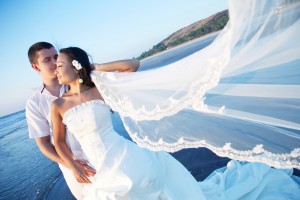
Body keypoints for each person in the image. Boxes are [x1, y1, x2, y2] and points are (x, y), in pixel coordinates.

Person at [52, 47, 300, 199]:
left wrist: (93, 67)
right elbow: (59, 142)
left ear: (76, 65)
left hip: (124, 155)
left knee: (144, 187)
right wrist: (73, 165)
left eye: (60, 64)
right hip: (96, 166)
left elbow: (132, 66)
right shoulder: (59, 105)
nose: (56, 70)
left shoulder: (101, 90)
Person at [25, 42, 140, 199]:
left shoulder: (83, 83)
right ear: (36, 67)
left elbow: (131, 66)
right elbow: (45, 144)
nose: (54, 63)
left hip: (107, 153)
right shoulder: (35, 103)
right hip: (76, 166)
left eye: (56, 57)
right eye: (47, 60)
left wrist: (88, 67)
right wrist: (73, 165)